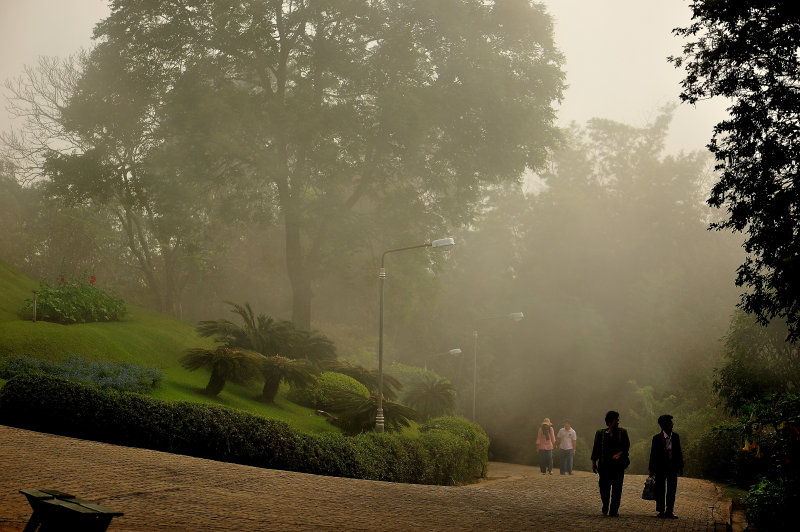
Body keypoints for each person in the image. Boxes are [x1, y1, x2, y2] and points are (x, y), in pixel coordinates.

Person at [590, 410, 630, 517]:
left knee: (617, 489)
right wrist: (594, 462)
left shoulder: (623, 432)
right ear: (609, 421)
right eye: (616, 420)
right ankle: (605, 504)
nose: (617, 422)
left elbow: (626, 447)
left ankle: (614, 510)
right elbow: (596, 449)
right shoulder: (600, 433)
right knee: (604, 488)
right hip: (604, 466)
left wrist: (619, 454)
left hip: (618, 467)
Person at [648, 414, 684, 519]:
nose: (673, 424)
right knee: (660, 489)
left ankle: (669, 511)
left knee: (672, 489)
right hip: (660, 468)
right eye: (671, 422)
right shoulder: (656, 438)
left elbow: (679, 452)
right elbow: (653, 454)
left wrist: (680, 466)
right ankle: (661, 511)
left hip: (672, 467)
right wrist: (651, 469)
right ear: (666, 425)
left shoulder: (676, 437)